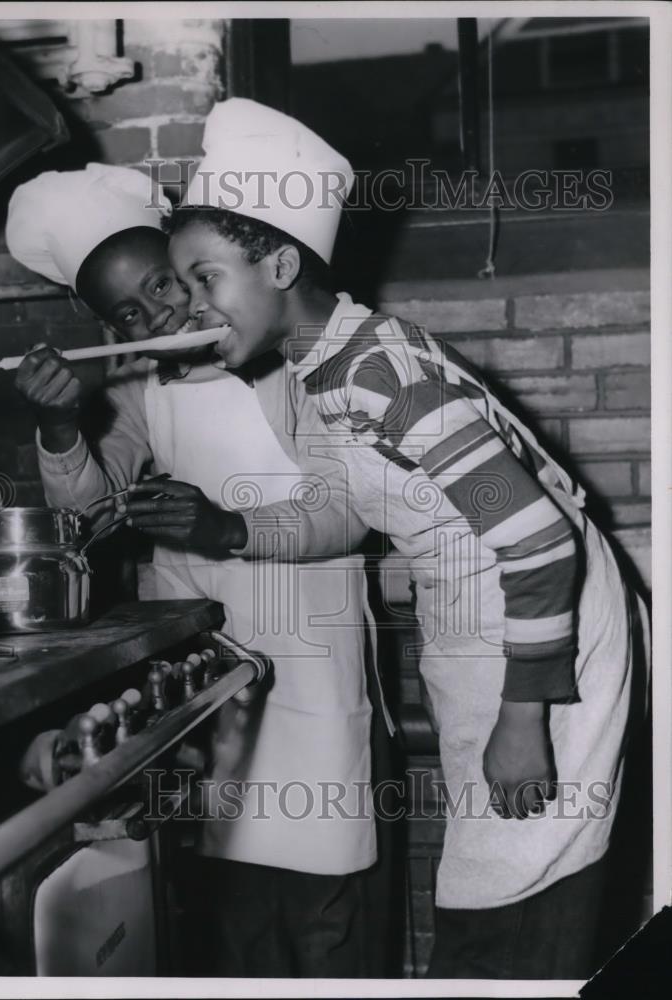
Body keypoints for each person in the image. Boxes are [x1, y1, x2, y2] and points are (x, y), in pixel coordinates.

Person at [143, 98, 647, 979]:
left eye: (206, 278)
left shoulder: (379, 373)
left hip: (543, 642)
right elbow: (343, 505)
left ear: (281, 262)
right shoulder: (329, 364)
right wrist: (226, 527)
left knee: (513, 913)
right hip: (500, 631)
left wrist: (522, 719)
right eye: (185, 286)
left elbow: (538, 541)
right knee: (494, 895)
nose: (190, 307)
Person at [5, 163, 397, 978]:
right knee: (230, 916)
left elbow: (353, 509)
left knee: (328, 918)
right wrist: (57, 426)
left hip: (313, 674)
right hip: (203, 691)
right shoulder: (142, 383)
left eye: (170, 283)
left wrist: (227, 526)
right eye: (131, 312)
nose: (162, 314)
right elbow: (86, 508)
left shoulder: (294, 360)